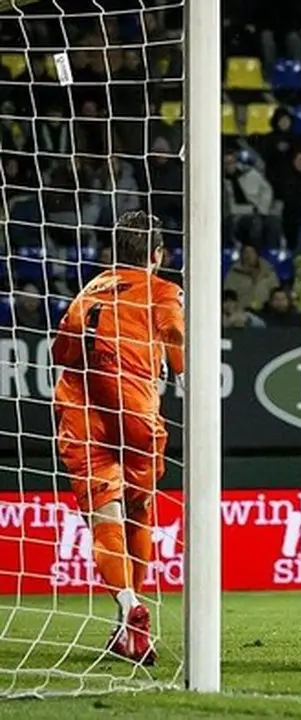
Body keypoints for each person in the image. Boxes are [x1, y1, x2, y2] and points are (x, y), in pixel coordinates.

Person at [52, 211, 185, 664]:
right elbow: (181, 346)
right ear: (157, 255)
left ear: (113, 252)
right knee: (139, 509)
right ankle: (131, 627)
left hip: (83, 417)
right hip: (137, 417)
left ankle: (129, 609)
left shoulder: (86, 293)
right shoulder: (163, 291)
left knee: (104, 517)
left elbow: (61, 352)